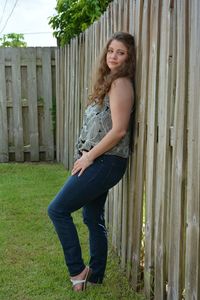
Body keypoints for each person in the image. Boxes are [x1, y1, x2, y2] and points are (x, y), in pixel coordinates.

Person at [48, 31, 136, 292]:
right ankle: (95, 276)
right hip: (100, 159)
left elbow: (119, 130)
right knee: (93, 215)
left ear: (129, 57)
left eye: (121, 52)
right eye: (111, 51)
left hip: (105, 162)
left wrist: (89, 156)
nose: (114, 56)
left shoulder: (121, 84)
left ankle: (78, 270)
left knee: (57, 210)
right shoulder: (111, 81)